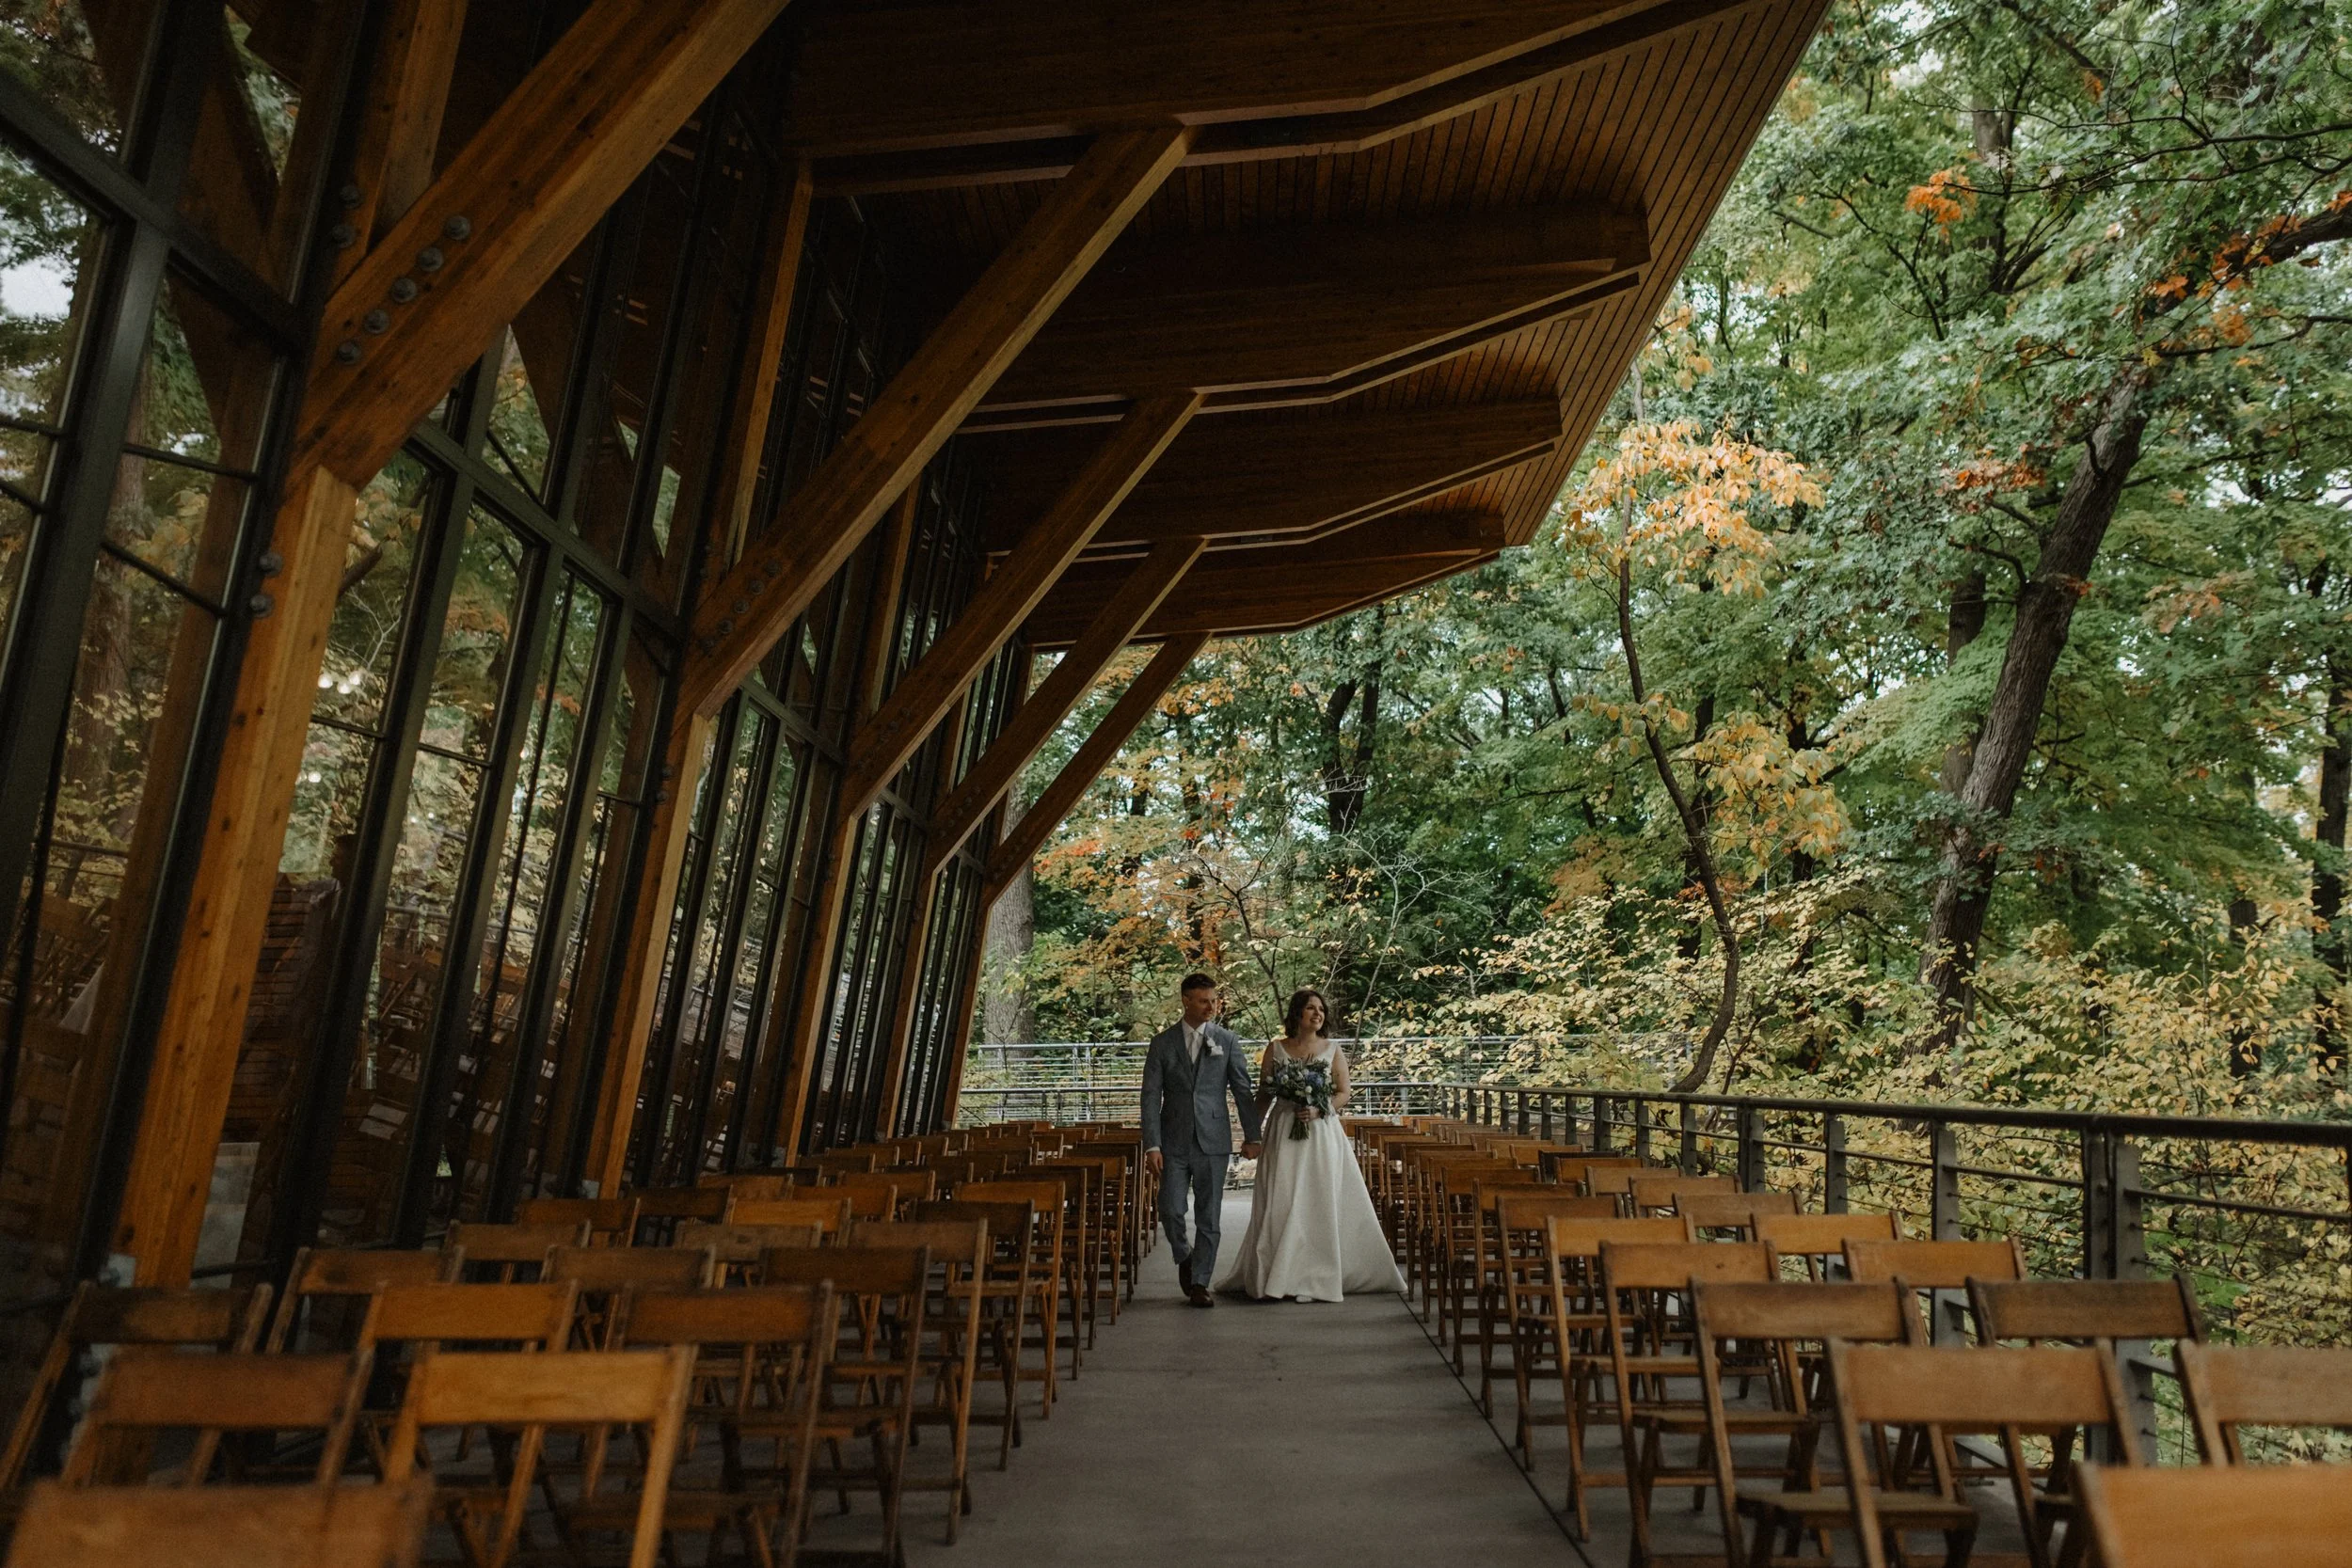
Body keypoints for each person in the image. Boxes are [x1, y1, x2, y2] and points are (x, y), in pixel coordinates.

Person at [1215, 987, 1404, 1303]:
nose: (1318, 1014)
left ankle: (1314, 1275)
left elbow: (1343, 1092)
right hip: (1285, 1128)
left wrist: (1319, 1109)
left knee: (1317, 1200)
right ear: (1297, 1014)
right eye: (1311, 1008)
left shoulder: (1332, 1049)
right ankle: (1277, 1274)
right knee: (1283, 1199)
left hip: (1320, 1132)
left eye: (1321, 1010)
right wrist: (1251, 1134)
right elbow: (1264, 1095)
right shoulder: (1276, 1049)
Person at [1139, 973, 1263, 1308]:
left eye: (1214, 1000)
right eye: (1204, 1001)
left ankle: (1200, 1283)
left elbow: (1241, 1090)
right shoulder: (1161, 1044)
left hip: (1214, 1140)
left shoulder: (1228, 1040)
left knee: (1209, 1216)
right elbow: (1150, 1096)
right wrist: (1152, 1144)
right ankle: (1185, 1257)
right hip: (1172, 1141)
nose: (1211, 1007)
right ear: (1186, 1001)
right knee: (1171, 1209)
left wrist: (1253, 1135)